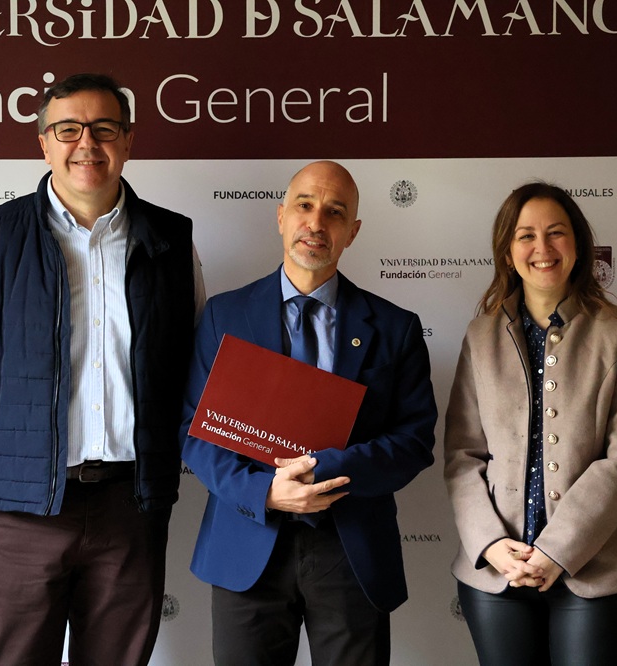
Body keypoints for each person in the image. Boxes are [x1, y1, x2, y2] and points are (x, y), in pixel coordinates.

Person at [0, 72, 205, 666]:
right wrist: (18, 454)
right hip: (22, 507)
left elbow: (192, 364)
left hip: (132, 504)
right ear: (44, 142)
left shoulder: (171, 241)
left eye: (104, 128)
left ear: (128, 141)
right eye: (68, 129)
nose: (87, 143)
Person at [180, 161, 438, 666]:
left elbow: (414, 441)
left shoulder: (396, 328)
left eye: (335, 212)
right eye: (304, 205)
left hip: (350, 548)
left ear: (352, 232)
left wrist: (326, 471)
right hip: (246, 541)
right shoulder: (223, 315)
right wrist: (264, 491)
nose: (316, 222)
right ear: (281, 216)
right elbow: (196, 430)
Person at [443, 182, 617, 665]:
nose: (542, 247)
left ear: (577, 244)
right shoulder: (480, 335)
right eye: (526, 236)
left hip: (601, 574)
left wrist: (558, 550)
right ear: (508, 251)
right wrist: (490, 544)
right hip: (497, 574)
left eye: (556, 232)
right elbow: (462, 454)